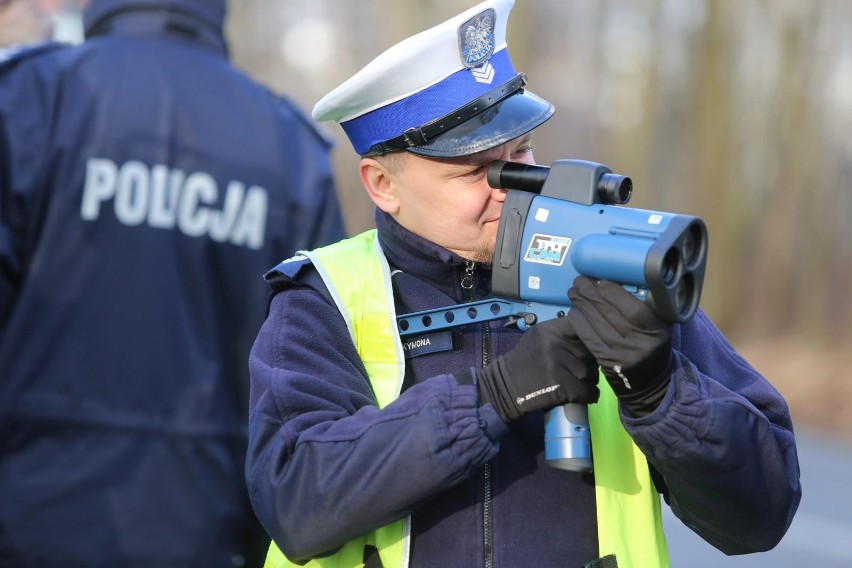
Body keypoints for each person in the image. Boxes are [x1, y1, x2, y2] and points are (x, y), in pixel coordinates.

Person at [245, 1, 801, 566]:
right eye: (475, 170)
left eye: (521, 152)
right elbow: (294, 502)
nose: (514, 187)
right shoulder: (326, 299)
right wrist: (495, 395)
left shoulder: (609, 268)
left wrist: (663, 393)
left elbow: (763, 512)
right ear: (382, 183)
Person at [0, 0, 346, 565]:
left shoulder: (30, 98)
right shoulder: (287, 146)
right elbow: (317, 377)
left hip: (28, 519)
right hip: (213, 527)